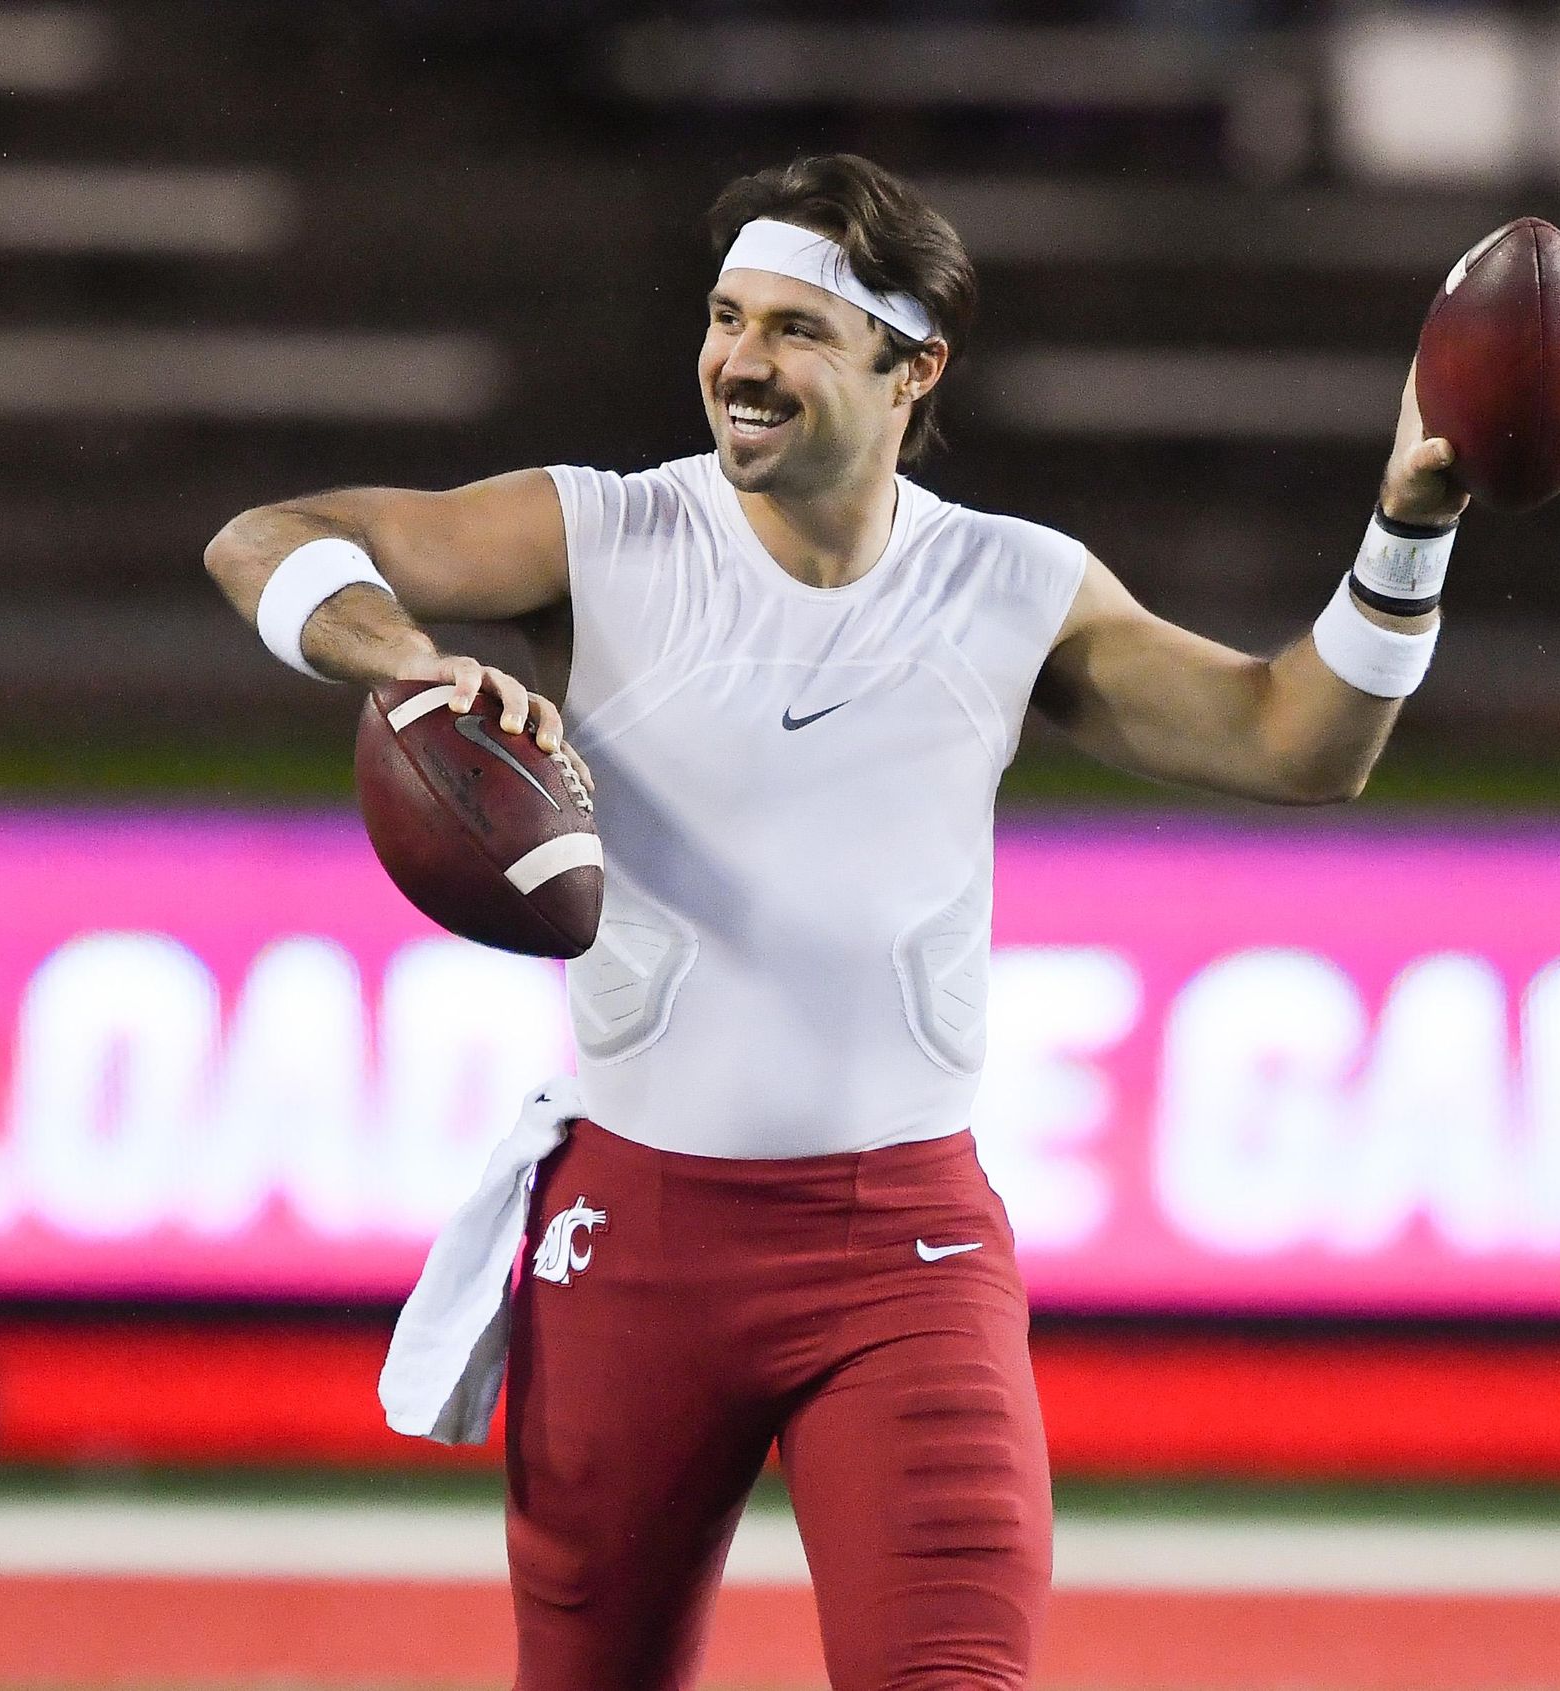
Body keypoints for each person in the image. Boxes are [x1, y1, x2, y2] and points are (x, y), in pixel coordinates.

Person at [201, 152, 1466, 1691]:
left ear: (912, 363)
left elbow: (1296, 743)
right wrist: (404, 658)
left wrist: (1411, 525)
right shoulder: (602, 535)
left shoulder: (1010, 585)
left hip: (901, 1254)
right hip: (633, 1236)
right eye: (726, 317)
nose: (739, 360)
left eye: (795, 329)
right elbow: (262, 536)